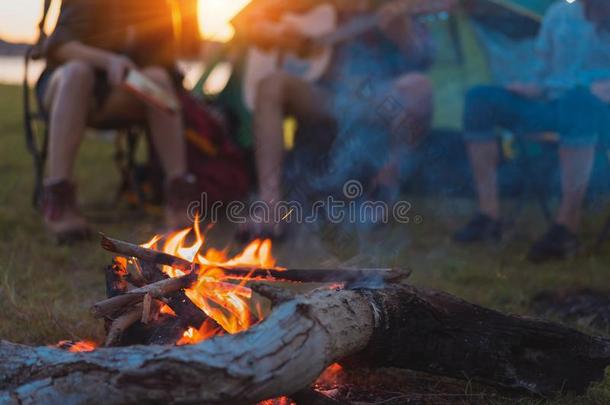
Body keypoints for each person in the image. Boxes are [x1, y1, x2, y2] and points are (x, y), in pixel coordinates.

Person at [236, 0, 438, 239]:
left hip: (371, 97)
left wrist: (401, 29)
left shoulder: (392, 4)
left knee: (419, 89)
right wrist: (277, 33)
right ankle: (270, 205)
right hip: (322, 97)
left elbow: (423, 56)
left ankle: (382, 191)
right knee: (270, 85)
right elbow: (246, 21)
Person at [454, 0, 610, 262]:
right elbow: (544, 72)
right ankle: (489, 215)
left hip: (600, 114)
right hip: (552, 102)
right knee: (480, 98)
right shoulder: (560, 14)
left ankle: (566, 227)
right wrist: (530, 87)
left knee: (579, 103)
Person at [38, 0, 198, 242]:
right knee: (78, 72)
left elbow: (164, 60)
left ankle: (178, 193)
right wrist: (108, 61)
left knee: (158, 79)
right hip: (68, 87)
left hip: (119, 92)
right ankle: (59, 197)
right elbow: (59, 46)